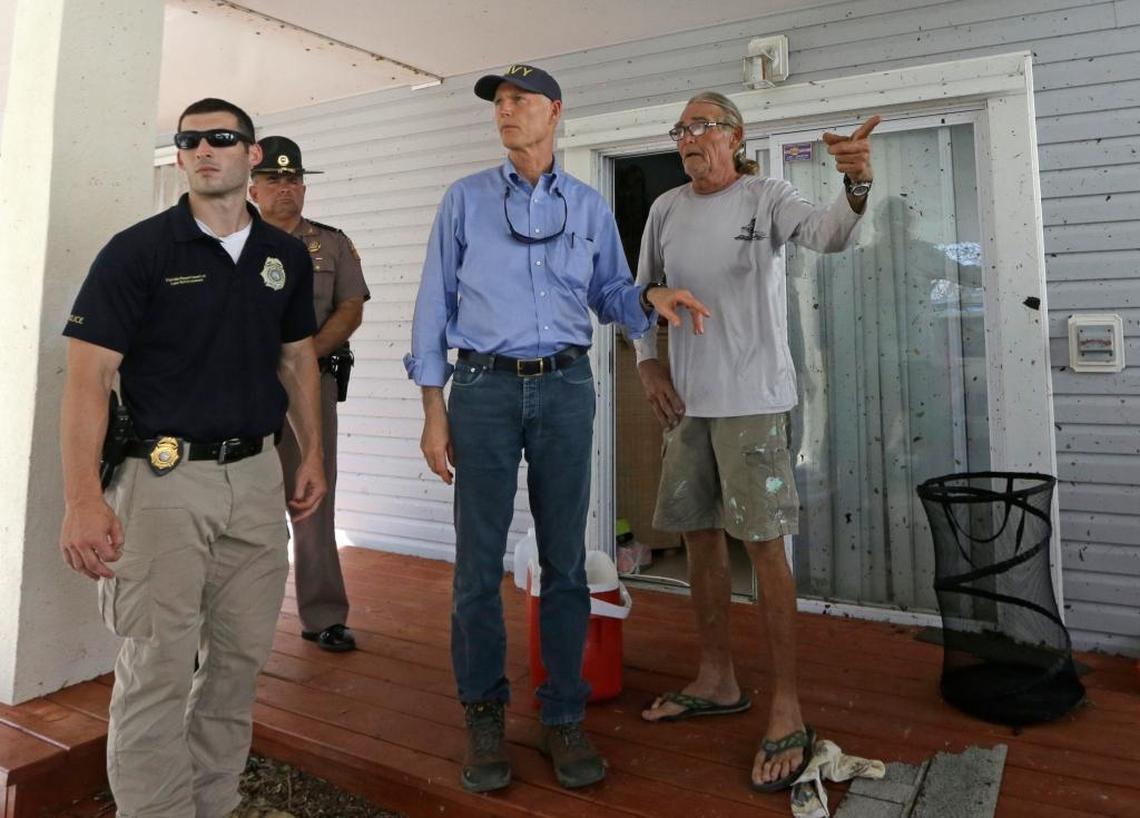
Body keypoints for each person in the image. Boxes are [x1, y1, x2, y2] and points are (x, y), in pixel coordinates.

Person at [404, 63, 709, 793]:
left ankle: (562, 713)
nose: (506, 112)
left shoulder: (587, 205)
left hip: (567, 388)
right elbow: (430, 304)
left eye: (519, 101)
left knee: (567, 560)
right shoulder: (464, 201)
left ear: (555, 113)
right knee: (477, 568)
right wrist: (432, 409)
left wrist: (650, 300)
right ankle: (484, 714)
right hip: (481, 390)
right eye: (499, 104)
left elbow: (609, 291)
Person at [59, 97, 327, 817]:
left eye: (221, 138)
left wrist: (311, 457)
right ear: (180, 156)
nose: (204, 150)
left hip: (255, 479)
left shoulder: (284, 256)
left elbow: (298, 357)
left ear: (252, 153)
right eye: (190, 140)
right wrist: (83, 497)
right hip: (162, 483)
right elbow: (87, 376)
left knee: (238, 665)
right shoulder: (138, 251)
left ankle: (213, 805)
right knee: (157, 669)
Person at [634, 91, 879, 793]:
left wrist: (856, 183)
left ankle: (787, 704)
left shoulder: (766, 194)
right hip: (686, 406)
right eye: (680, 128)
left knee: (764, 548)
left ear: (734, 136)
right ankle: (717, 679)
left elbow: (830, 235)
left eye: (701, 126)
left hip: (753, 405)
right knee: (700, 541)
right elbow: (639, 290)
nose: (688, 138)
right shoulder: (665, 210)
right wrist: (648, 360)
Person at [249, 135, 370, 653]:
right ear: (253, 188)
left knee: (313, 496)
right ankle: (234, 620)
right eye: (273, 180)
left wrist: (306, 356)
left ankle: (323, 615)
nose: (285, 188)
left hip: (310, 384)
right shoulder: (231, 242)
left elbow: (350, 306)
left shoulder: (331, 243)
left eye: (293, 179)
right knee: (236, 500)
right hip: (240, 385)